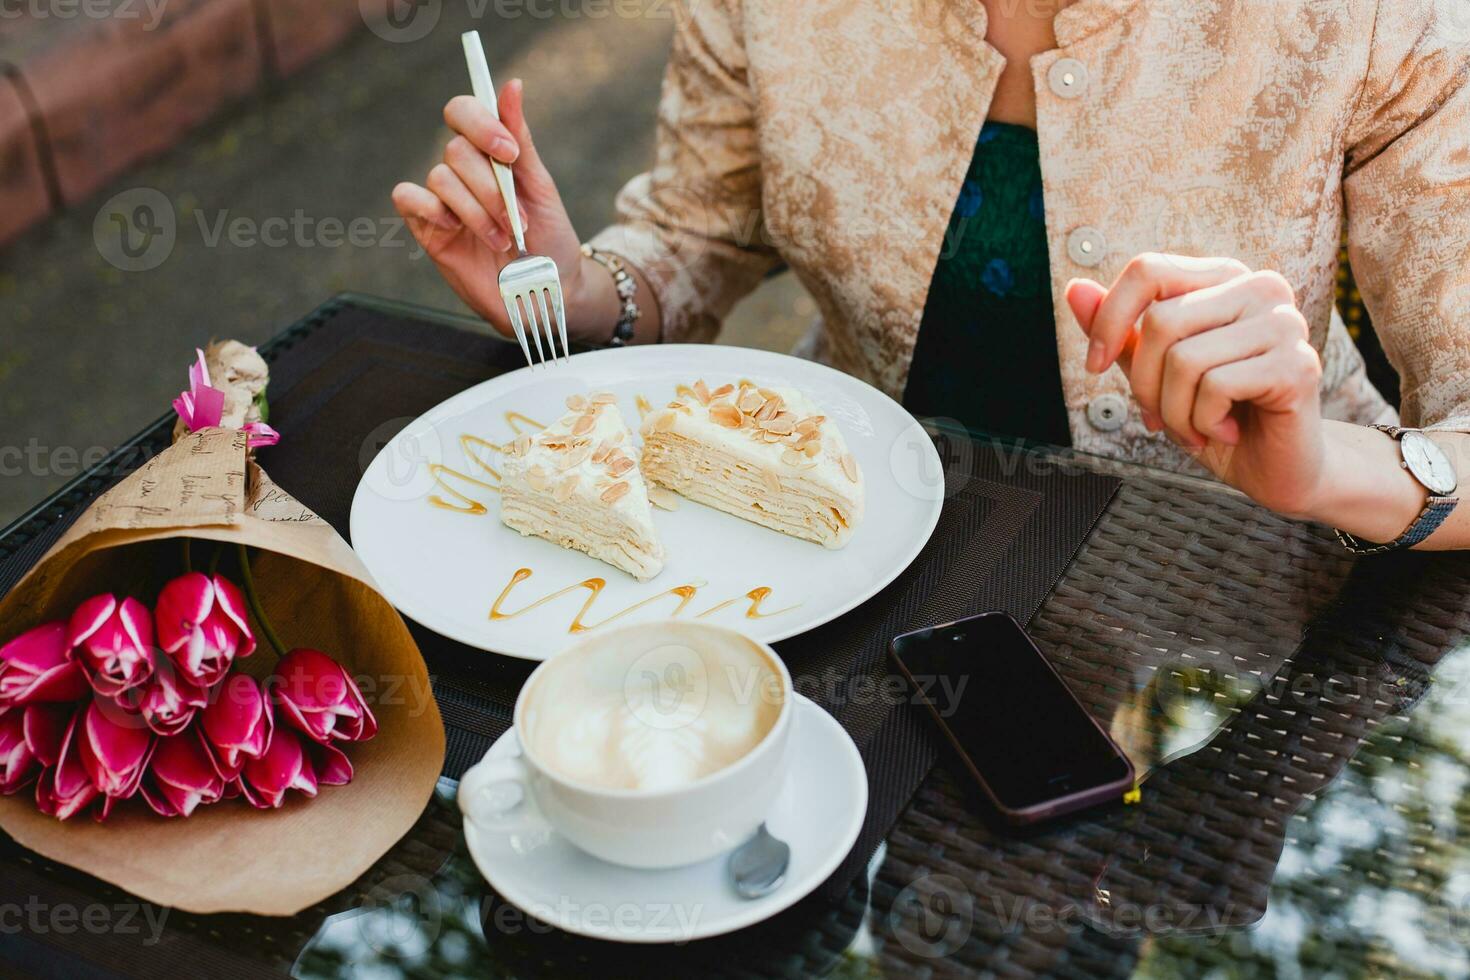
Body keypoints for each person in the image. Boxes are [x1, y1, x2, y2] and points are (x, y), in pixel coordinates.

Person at [393, 0, 1470, 552]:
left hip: (1251, 622)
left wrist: (1322, 469)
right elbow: (695, 236)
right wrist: (576, 290)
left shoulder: (1374, 22)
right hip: (841, 560)